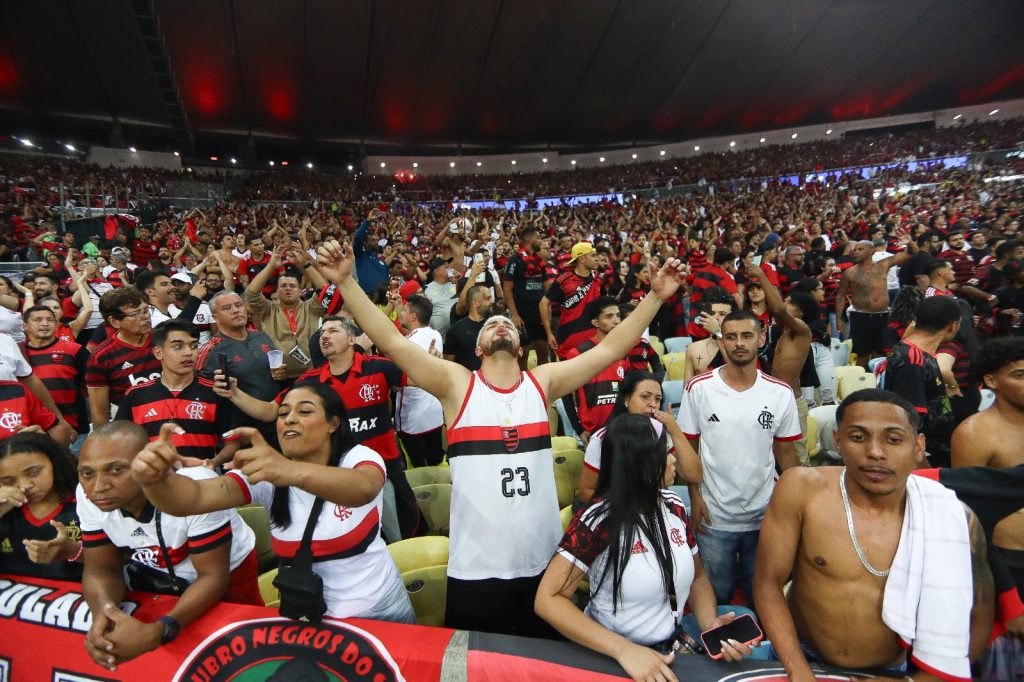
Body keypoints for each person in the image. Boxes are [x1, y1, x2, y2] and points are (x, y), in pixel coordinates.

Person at [313, 237, 687, 636]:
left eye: (506, 323)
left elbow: (611, 348)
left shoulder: (541, 382)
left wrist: (655, 297)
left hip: (545, 567)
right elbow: (390, 340)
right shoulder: (458, 385)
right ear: (478, 346)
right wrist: (347, 283)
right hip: (476, 571)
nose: (499, 325)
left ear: (521, 345)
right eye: (491, 323)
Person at [754, 390, 994, 680]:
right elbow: (768, 582)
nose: (876, 452)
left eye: (893, 440)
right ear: (838, 441)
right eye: (858, 437)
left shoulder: (953, 518)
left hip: (891, 671)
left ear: (918, 447)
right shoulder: (801, 489)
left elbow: (978, 616)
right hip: (798, 656)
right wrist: (798, 671)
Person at [131, 382, 415, 624]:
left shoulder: (357, 458)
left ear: (333, 423)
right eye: (282, 413)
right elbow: (190, 499)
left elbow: (363, 488)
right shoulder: (268, 474)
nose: (289, 419)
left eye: (304, 411)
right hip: (312, 619)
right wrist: (156, 480)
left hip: (382, 609)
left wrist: (288, 470)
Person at [535, 414, 753, 682]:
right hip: (610, 657)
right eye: (665, 452)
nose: (673, 459)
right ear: (640, 462)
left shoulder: (673, 505)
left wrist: (710, 626)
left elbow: (697, 578)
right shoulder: (598, 520)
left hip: (668, 651)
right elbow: (548, 599)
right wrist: (624, 651)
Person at [216, 316, 424, 542]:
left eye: (333, 331)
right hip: (337, 476)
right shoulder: (311, 382)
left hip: (385, 471)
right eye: (323, 333)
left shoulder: (379, 367)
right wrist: (235, 394)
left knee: (400, 538)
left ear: (351, 338)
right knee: (356, 539)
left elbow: (418, 378)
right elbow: (269, 411)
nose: (325, 336)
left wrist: (428, 362)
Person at [78, 421, 261, 673]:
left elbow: (212, 577)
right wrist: (104, 612)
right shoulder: (87, 496)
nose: (98, 486)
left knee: (241, 656)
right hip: (159, 575)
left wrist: (159, 631)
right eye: (87, 473)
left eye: (116, 469)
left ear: (148, 462)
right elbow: (101, 570)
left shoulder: (196, 484)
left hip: (230, 574)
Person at [678, 309, 801, 604]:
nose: (739, 343)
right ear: (721, 343)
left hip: (765, 513)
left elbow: (786, 453)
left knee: (760, 594)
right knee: (716, 594)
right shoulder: (700, 389)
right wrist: (695, 497)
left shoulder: (780, 393)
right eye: (730, 337)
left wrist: (795, 503)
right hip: (713, 514)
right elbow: (688, 450)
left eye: (746, 336)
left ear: (761, 339)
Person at [952, 337, 1024, 605]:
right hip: (1008, 560)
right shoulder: (975, 433)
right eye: (1020, 375)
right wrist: (1004, 593)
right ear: (992, 381)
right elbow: (968, 515)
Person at [115, 319, 241, 465]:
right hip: (153, 481)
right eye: (178, 346)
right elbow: (121, 442)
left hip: (200, 480)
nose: (188, 353)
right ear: (158, 352)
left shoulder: (216, 392)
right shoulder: (135, 395)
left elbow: (232, 443)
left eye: (194, 346)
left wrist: (212, 463)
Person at [578, 371, 701, 504]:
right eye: (645, 396)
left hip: (655, 506)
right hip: (619, 512)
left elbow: (695, 475)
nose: (653, 404)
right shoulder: (602, 439)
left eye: (657, 399)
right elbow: (586, 492)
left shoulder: (660, 431)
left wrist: (674, 430)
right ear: (626, 399)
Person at [880, 295, 961, 467]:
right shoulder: (912, 361)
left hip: (941, 450)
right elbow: (908, 422)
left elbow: (939, 400)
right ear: (953, 326)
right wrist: (923, 466)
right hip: (927, 458)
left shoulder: (919, 354)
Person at [0, 432, 83, 580]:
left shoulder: (85, 501)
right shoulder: (5, 508)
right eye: (8, 481)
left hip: (76, 597)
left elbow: (121, 558)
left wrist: (73, 551)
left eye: (33, 473)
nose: (25, 486)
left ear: (54, 462)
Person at [244, 244, 329, 381]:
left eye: (292, 286)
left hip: (311, 374)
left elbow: (325, 292)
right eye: (283, 286)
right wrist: (271, 266)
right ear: (277, 291)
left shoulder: (310, 308)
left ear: (300, 290)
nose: (288, 289)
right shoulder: (269, 309)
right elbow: (251, 293)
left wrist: (306, 265)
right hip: (278, 376)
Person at [85, 288, 162, 426]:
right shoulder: (101, 357)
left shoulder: (164, 340)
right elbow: (99, 413)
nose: (145, 316)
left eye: (145, 310)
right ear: (114, 322)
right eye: (135, 313)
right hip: (130, 427)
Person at [835, 237, 917, 367]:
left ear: (872, 251)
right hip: (860, 316)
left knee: (879, 354)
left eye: (860, 249)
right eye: (855, 249)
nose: (856, 252)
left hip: (882, 315)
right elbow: (840, 296)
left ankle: (877, 383)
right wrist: (838, 320)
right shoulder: (850, 272)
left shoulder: (883, 265)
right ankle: (862, 383)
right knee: (862, 355)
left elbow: (912, 253)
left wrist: (909, 242)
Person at [561, 297, 629, 444]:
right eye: (609, 316)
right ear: (595, 322)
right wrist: (578, 429)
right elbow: (566, 395)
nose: (616, 321)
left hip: (621, 429)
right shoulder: (578, 353)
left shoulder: (622, 351)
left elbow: (628, 392)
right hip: (593, 433)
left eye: (618, 315)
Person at [19, 305, 90, 437]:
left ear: (56, 324)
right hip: (31, 430)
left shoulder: (75, 350)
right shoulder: (17, 354)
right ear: (25, 326)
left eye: (50, 320)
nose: (45, 324)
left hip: (73, 430)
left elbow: (93, 387)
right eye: (38, 320)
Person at [395, 295, 445, 468]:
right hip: (435, 414)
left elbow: (395, 382)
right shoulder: (435, 334)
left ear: (412, 316)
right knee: (437, 462)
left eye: (404, 310)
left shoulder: (405, 344)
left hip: (412, 420)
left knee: (417, 469)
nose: (401, 312)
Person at [541, 241, 604, 360]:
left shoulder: (597, 278)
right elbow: (543, 303)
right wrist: (549, 333)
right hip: (568, 339)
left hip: (593, 339)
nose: (597, 259)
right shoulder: (564, 279)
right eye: (593, 255)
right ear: (582, 259)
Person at [503, 227, 551, 369]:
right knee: (523, 354)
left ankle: (543, 385)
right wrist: (515, 315)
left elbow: (546, 289)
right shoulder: (514, 260)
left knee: (543, 350)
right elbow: (507, 290)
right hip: (523, 314)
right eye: (538, 238)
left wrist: (547, 313)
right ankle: (522, 385)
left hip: (539, 313)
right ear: (529, 239)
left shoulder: (539, 261)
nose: (540, 241)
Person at [683, 288, 736, 382]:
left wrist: (717, 333)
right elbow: (687, 391)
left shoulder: (742, 345)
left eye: (722, 314)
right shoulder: (693, 348)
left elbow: (738, 371)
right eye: (712, 313)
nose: (715, 317)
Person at [444, 283, 493, 372]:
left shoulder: (495, 326)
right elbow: (448, 365)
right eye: (488, 298)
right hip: (467, 382)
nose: (492, 301)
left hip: (492, 382)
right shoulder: (455, 330)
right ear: (475, 303)